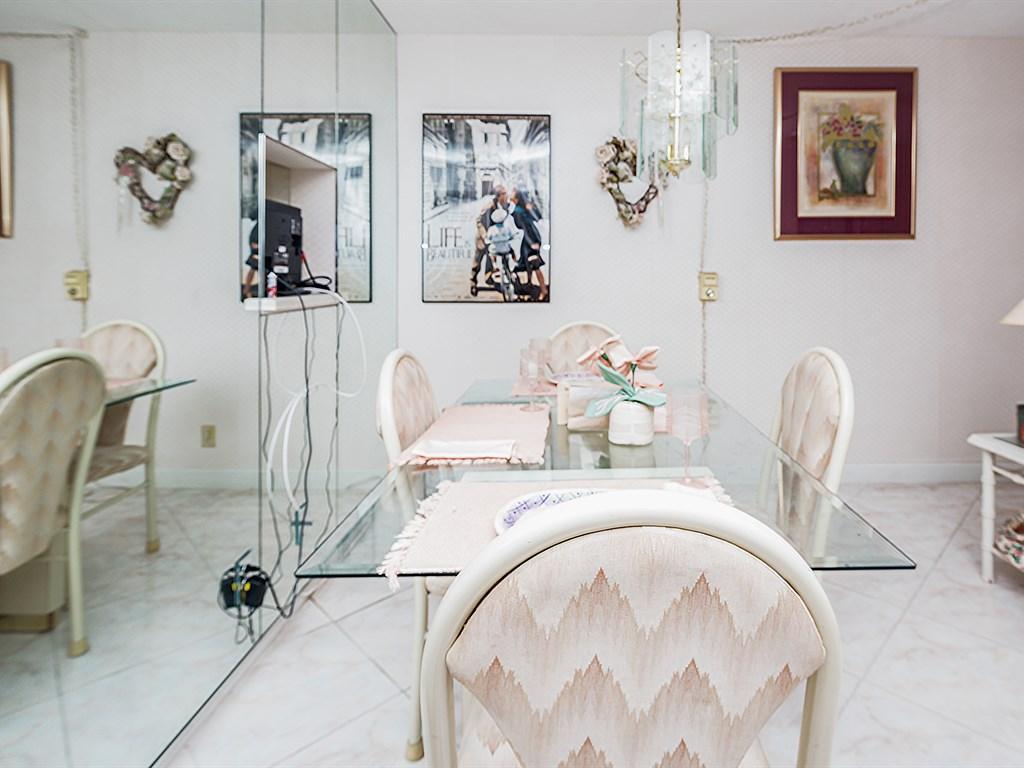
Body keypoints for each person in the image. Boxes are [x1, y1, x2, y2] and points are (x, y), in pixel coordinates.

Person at [510, 188, 548, 301]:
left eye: (512, 195)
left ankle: (543, 290)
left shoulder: (519, 211)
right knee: (527, 263)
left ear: (516, 199)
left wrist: (532, 243)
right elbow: (537, 217)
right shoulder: (524, 208)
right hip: (530, 238)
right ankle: (529, 282)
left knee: (535, 264)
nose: (510, 196)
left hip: (530, 239)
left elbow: (524, 227)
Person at [471, 185, 508, 290]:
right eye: (504, 194)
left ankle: (488, 277)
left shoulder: (503, 205)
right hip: (483, 238)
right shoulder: (489, 206)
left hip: (494, 236)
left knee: (490, 258)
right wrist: (484, 235)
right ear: (499, 195)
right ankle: (473, 281)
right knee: (478, 260)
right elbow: (478, 220)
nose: (506, 196)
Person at [484, 207, 518, 288]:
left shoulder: (491, 229)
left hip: (495, 249)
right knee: (512, 251)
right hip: (505, 249)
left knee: (490, 253)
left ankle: (494, 264)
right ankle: (515, 262)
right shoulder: (506, 228)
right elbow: (512, 235)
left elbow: (487, 239)